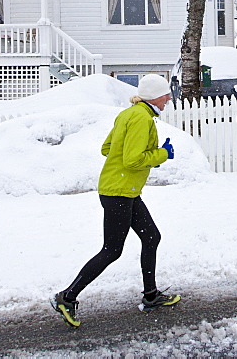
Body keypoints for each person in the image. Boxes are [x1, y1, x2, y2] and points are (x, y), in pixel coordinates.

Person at [52, 74, 180, 327]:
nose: (168, 98)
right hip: (119, 192)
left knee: (151, 237)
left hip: (123, 189)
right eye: (165, 94)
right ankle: (67, 297)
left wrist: (133, 152)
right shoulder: (142, 119)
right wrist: (161, 154)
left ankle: (151, 295)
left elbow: (107, 148)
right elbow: (133, 159)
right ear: (154, 96)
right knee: (112, 250)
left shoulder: (128, 114)